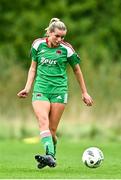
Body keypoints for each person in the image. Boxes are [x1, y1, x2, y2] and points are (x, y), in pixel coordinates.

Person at [17, 18, 93, 169]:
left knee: (51, 132)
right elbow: (33, 68)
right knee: (42, 122)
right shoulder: (37, 45)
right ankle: (50, 155)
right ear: (49, 32)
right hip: (41, 89)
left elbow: (77, 70)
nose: (60, 39)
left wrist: (85, 93)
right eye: (57, 36)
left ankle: (51, 154)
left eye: (62, 37)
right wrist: (27, 87)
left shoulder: (67, 49)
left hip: (59, 91)